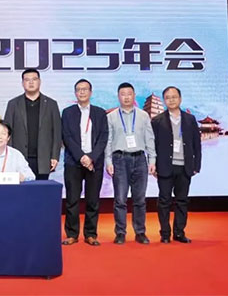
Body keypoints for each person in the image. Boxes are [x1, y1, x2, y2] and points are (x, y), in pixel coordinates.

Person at [105, 82, 156, 245]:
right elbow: (108, 141)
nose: (126, 97)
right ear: (118, 96)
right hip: (119, 159)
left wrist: (152, 159)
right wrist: (108, 161)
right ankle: (120, 232)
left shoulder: (143, 115)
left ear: (134, 96)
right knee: (120, 199)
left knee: (139, 199)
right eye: (123, 94)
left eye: (129, 94)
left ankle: (140, 232)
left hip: (140, 159)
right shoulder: (111, 117)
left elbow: (149, 139)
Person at [61, 79, 109, 246]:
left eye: (85, 89)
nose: (82, 92)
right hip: (73, 162)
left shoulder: (100, 113)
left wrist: (91, 157)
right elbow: (66, 136)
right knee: (72, 200)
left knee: (93, 200)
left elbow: (103, 137)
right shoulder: (67, 112)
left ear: (91, 92)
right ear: (75, 93)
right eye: (79, 89)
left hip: (94, 163)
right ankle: (72, 234)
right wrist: (81, 156)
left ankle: (90, 234)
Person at [152, 86, 202, 244]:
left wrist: (196, 165)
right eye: (167, 97)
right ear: (164, 100)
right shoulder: (157, 120)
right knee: (164, 201)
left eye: (174, 97)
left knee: (182, 201)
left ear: (180, 99)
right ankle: (165, 233)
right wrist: (153, 164)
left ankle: (179, 233)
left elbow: (197, 144)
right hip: (165, 166)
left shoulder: (190, 119)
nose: (171, 100)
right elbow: (152, 145)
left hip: (185, 166)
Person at [4, 69, 62, 180]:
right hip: (19, 158)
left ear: (40, 82)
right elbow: (7, 132)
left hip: (44, 158)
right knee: (20, 190)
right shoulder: (13, 104)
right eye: (27, 80)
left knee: (41, 189)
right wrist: (9, 156)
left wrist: (55, 156)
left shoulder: (51, 104)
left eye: (34, 79)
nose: (31, 82)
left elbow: (57, 133)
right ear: (22, 83)